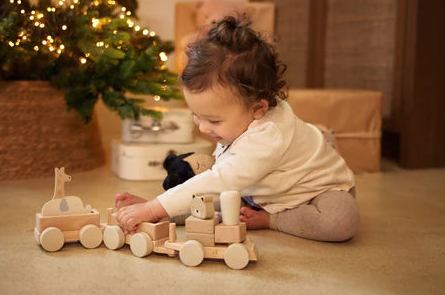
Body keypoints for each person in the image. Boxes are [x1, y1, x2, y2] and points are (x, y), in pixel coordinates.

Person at [115, 16, 359, 242]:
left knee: (338, 221)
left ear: (258, 109)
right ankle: (164, 215)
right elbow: (218, 184)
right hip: (262, 193)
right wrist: (156, 207)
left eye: (214, 121)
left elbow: (219, 180)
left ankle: (274, 220)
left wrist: (151, 207)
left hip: (317, 193)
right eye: (196, 116)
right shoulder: (240, 117)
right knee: (221, 201)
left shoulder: (268, 135)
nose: (202, 128)